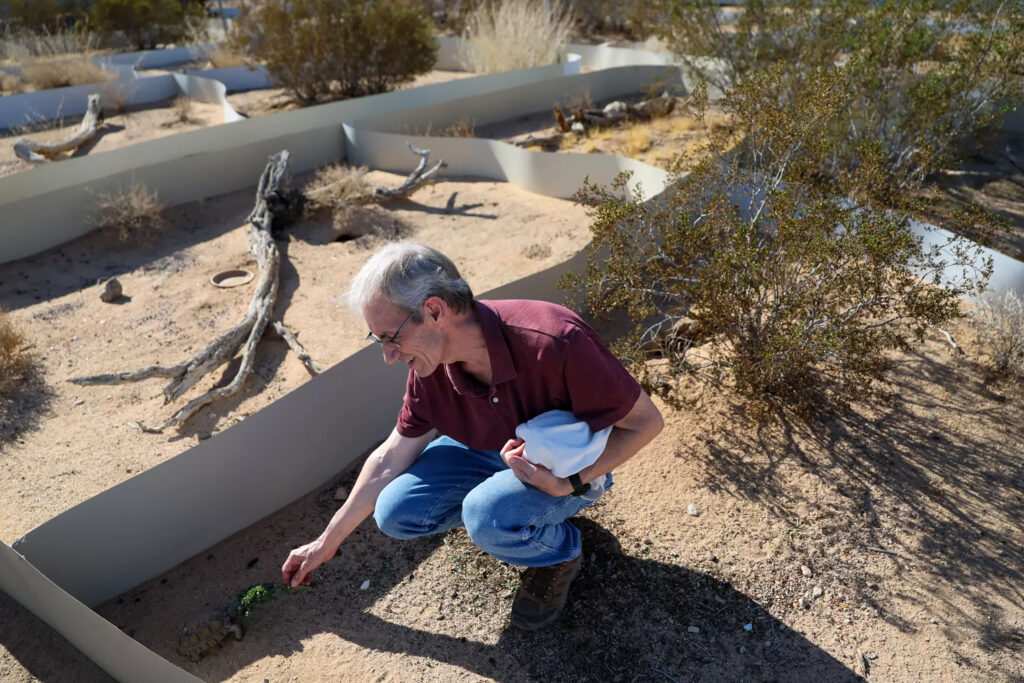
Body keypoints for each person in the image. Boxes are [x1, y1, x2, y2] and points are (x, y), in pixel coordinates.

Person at [281, 242, 664, 630]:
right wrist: (326, 542)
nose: (389, 356)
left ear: (434, 310)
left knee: (486, 516)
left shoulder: (554, 339)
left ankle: (557, 553)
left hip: (565, 467)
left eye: (390, 337)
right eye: (378, 340)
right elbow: (392, 454)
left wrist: (570, 484)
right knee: (395, 511)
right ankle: (514, 517)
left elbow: (645, 423)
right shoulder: (428, 369)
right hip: (486, 451)